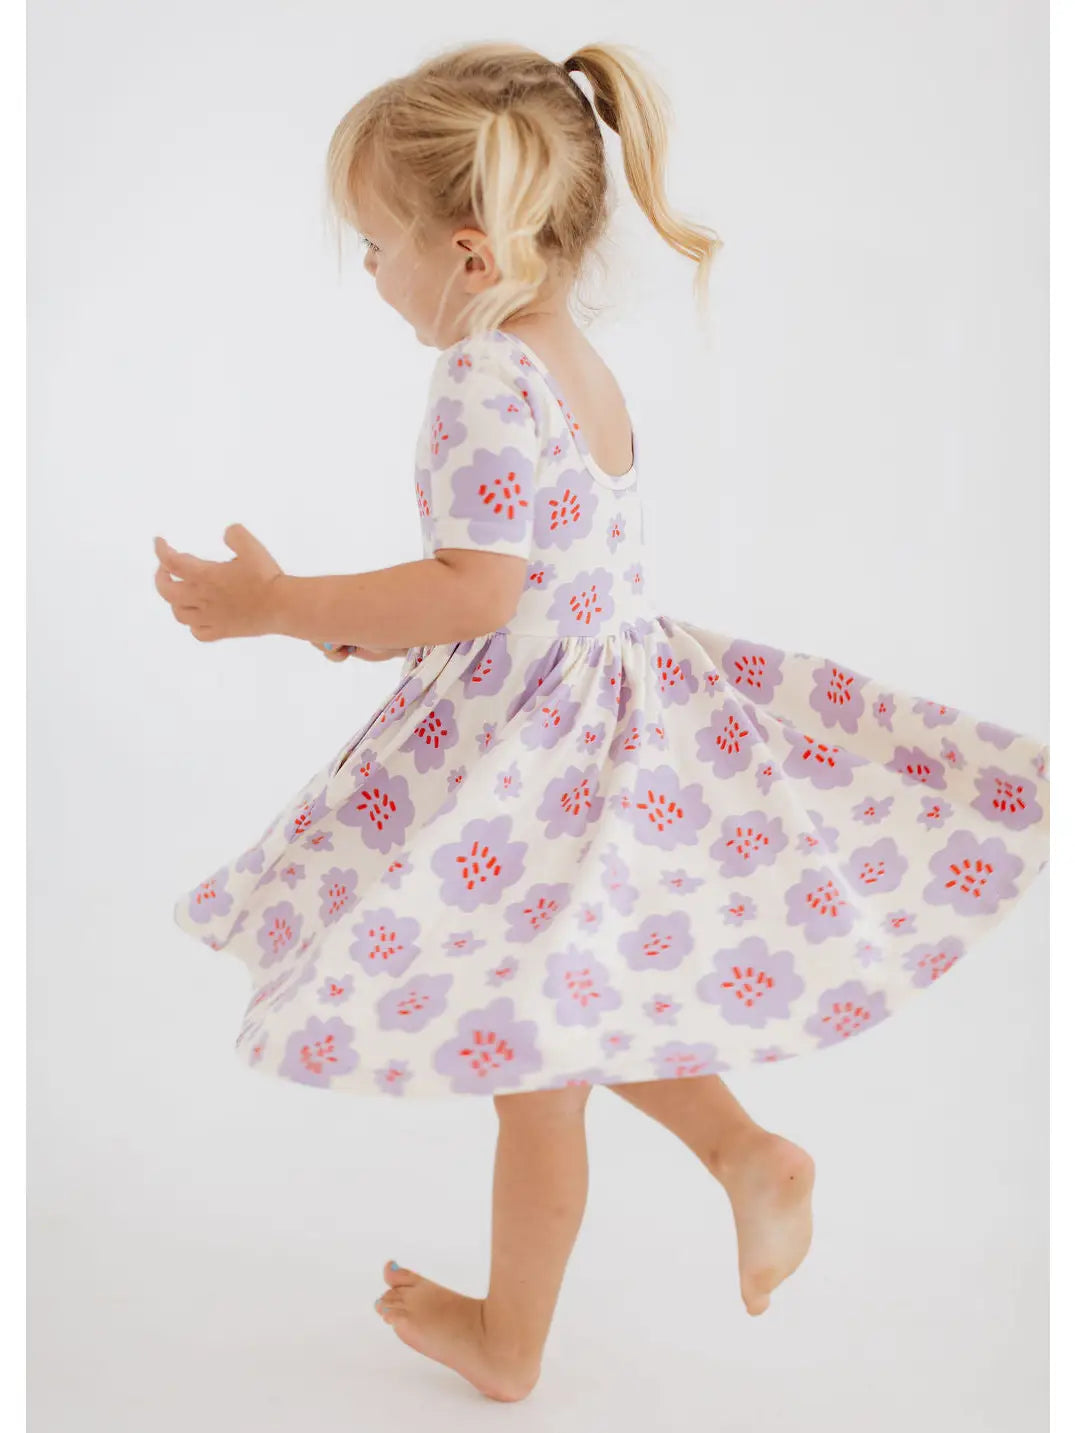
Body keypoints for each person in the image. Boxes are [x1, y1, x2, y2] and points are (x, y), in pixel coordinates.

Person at [154, 41, 1050, 1404]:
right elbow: (527, 586)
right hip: (609, 715)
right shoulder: (569, 359)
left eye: (378, 245)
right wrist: (365, 624)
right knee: (573, 1016)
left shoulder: (479, 375)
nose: (371, 273)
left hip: (541, 760)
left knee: (538, 1067)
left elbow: (477, 589)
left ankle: (512, 1341)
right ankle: (745, 1155)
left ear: (467, 251)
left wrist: (280, 604)